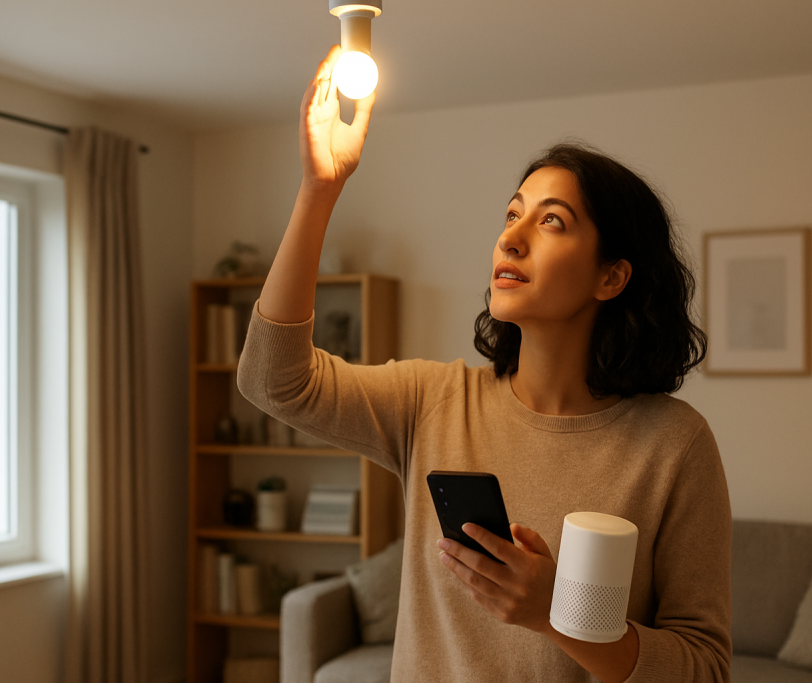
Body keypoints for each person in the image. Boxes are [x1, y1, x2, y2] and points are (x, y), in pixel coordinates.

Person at [238, 46, 731, 683]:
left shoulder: (674, 444)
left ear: (612, 276)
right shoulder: (431, 401)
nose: (512, 235)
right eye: (512, 213)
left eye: (552, 221)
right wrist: (319, 189)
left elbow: (706, 669)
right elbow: (272, 380)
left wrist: (555, 612)